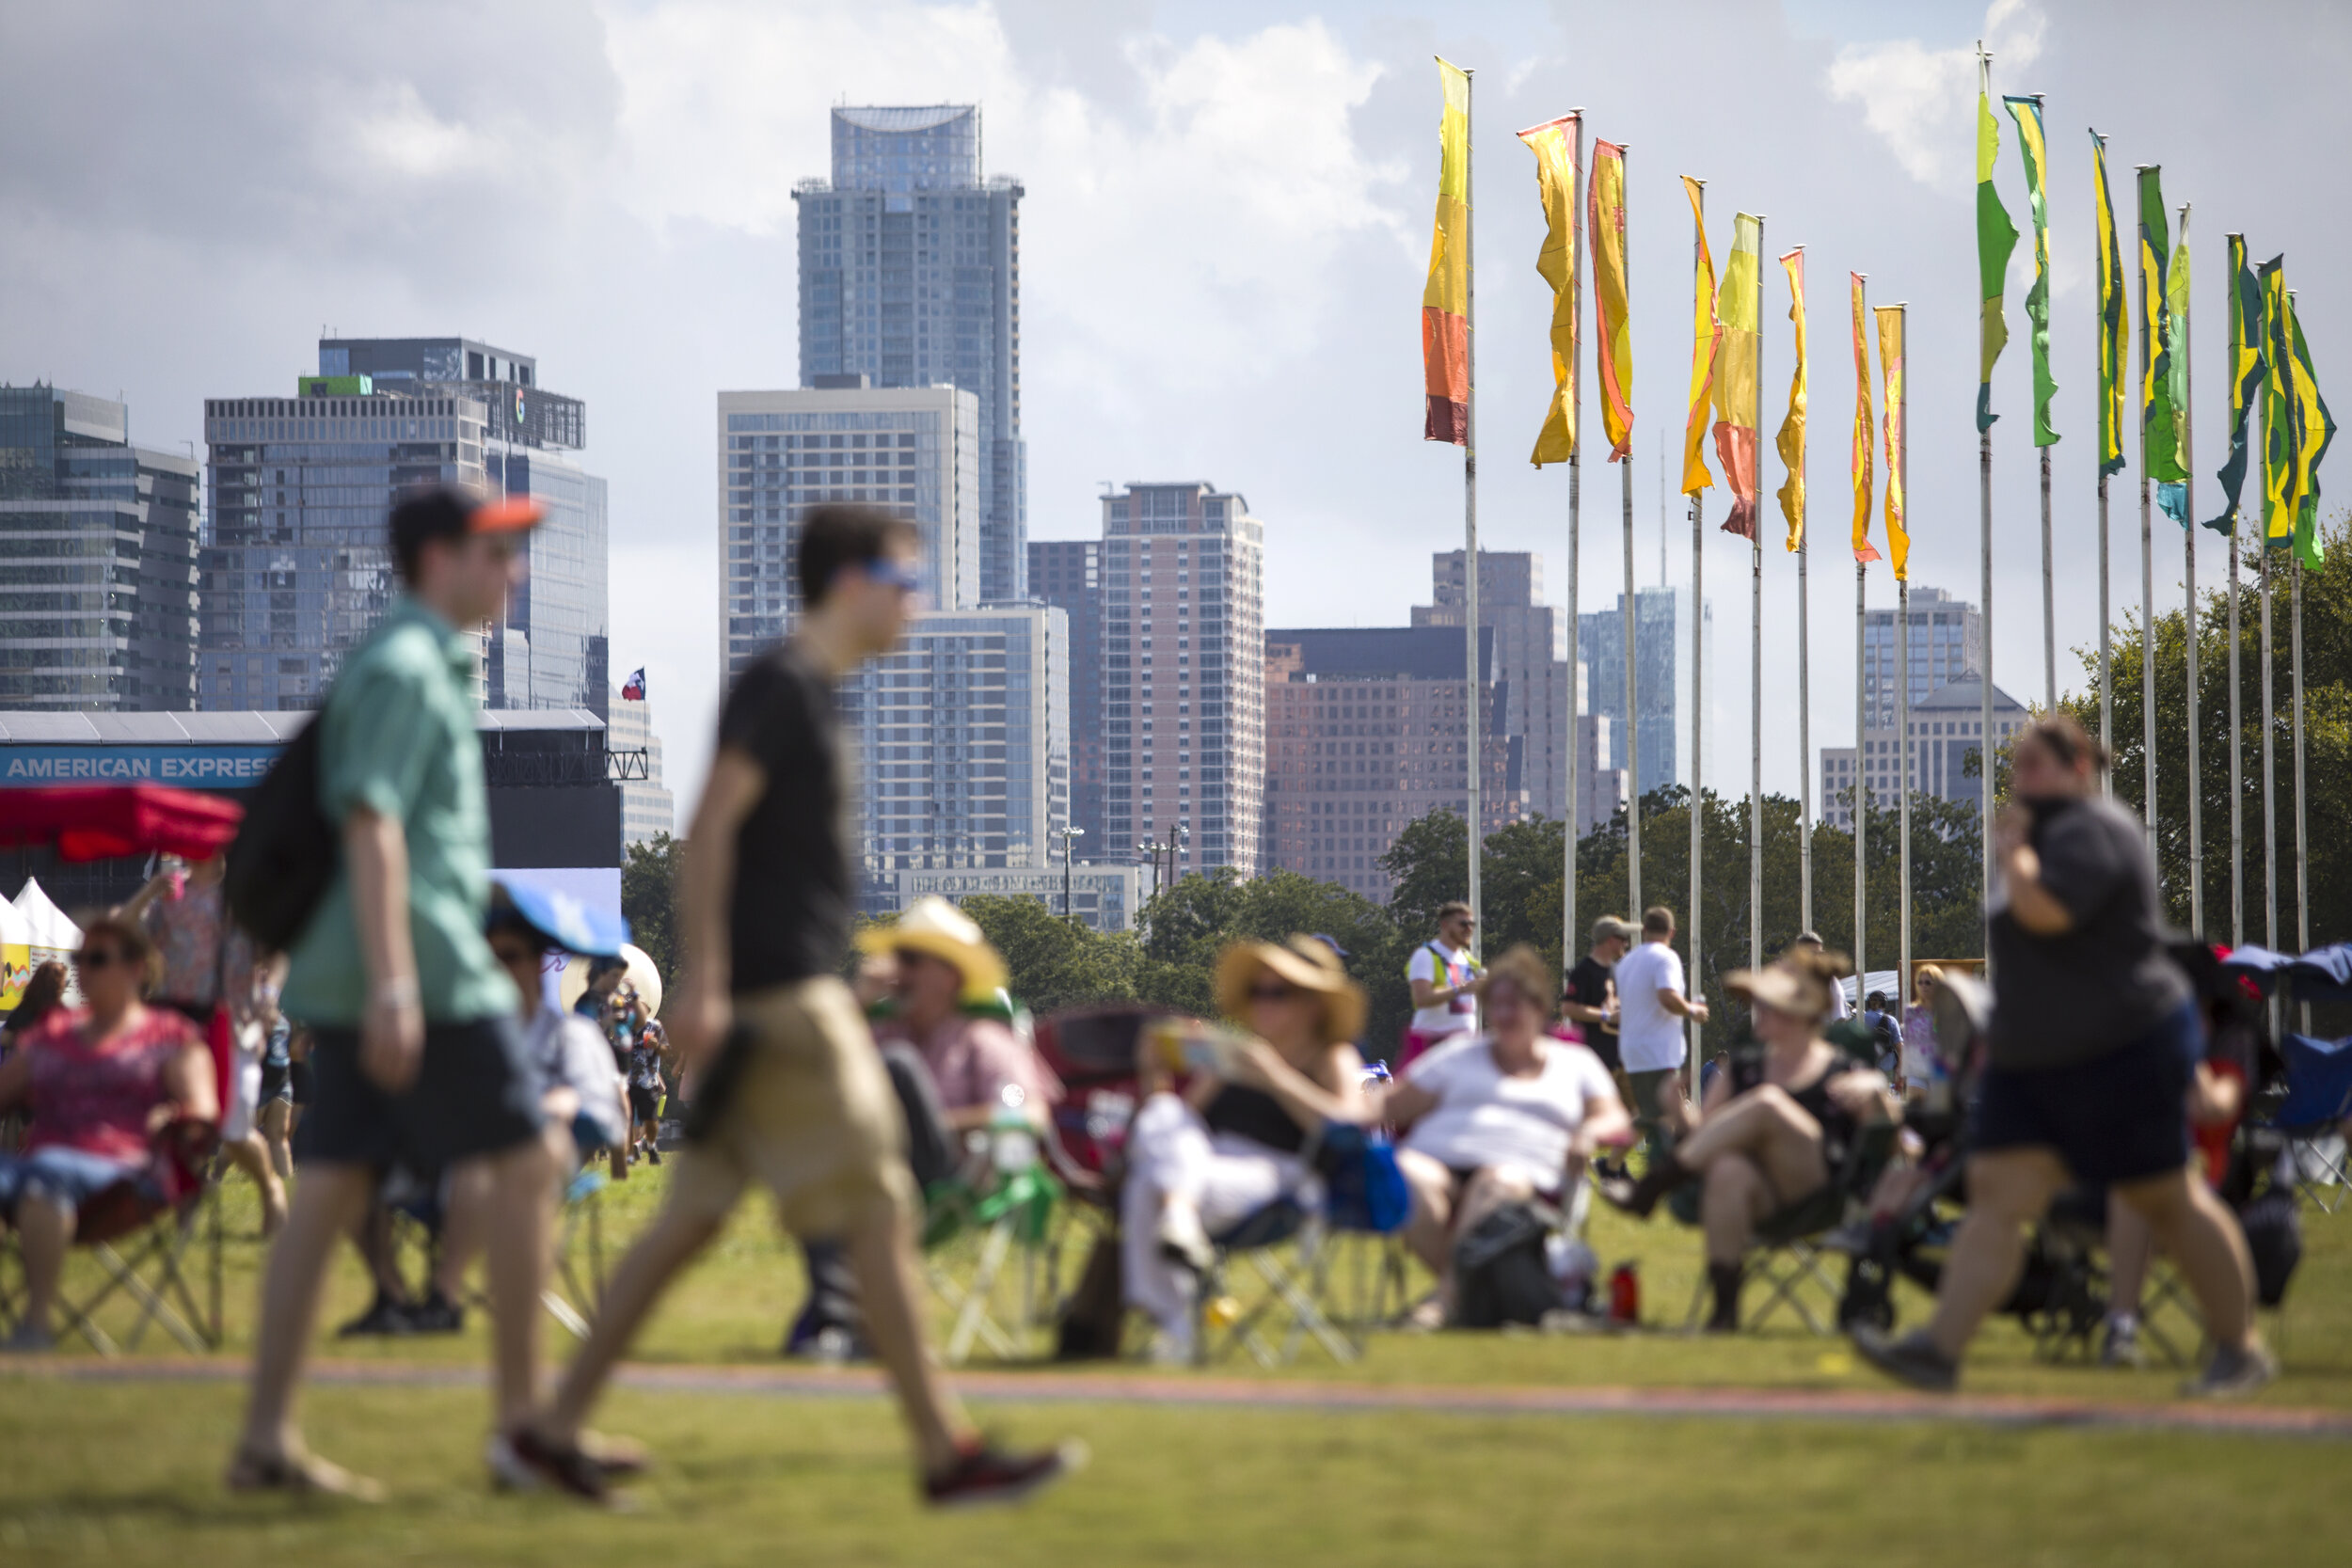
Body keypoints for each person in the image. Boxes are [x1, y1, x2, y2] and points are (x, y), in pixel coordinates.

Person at [516, 504, 1079, 1508]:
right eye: (908, 582)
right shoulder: (780, 689)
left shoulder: (813, 696)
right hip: (786, 1009)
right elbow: (706, 830)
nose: (921, 603)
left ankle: (548, 1431)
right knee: (879, 1206)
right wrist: (710, 976)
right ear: (852, 582)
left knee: (685, 1221)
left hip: (795, 992)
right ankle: (947, 1452)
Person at [230, 486, 563, 1499]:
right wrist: (393, 988)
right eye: (496, 553)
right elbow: (372, 821)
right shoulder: (410, 668)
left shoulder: (416, 662)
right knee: (532, 1155)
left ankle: (265, 1442)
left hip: (382, 967)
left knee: (327, 1188)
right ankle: (524, 1429)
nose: (516, 574)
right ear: (437, 559)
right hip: (423, 968)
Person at [1851, 714, 2274, 1398]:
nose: (2021, 780)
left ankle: (2241, 1346)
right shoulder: (2048, 834)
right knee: (1998, 1192)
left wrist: (2014, 855)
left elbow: (2048, 914)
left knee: (2167, 1194)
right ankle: (1940, 1348)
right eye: (2017, 767)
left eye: (2034, 766)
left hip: (2124, 1042)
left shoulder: (2092, 831)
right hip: (2040, 1055)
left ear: (2080, 766)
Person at [785, 897, 1058, 1360]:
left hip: (949, 1173)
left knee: (898, 1068)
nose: (900, 972)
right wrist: (859, 1000)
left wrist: (944, 1121)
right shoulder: (879, 1032)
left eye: (911, 960)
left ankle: (839, 1323)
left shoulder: (983, 1042)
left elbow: (1023, 1110)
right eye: (898, 960)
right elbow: (807, 1078)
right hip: (873, 1169)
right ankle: (838, 1324)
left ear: (950, 975)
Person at [1601, 949, 1899, 1331]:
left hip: (1817, 1190)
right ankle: (1725, 1312)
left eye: (1769, 1005)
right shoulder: (1743, 1068)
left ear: (1799, 1014)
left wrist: (1876, 1089)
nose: (1758, 1010)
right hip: (1756, 1195)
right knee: (1727, 1169)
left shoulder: (1842, 1067)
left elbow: (1890, 1143)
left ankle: (1651, 1187)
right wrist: (1677, 1113)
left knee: (1767, 1104)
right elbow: (1704, 1139)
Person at [1123, 935, 1373, 1360]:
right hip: (1204, 1164)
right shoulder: (1236, 1050)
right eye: (1258, 992)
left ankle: (1174, 1326)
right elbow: (1181, 1123)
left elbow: (1349, 1127)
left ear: (1313, 1004)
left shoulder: (1331, 1057)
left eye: (1278, 993)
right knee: (1163, 1115)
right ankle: (1179, 1225)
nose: (1263, 1003)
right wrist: (1154, 1078)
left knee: (1147, 1185)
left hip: (1280, 1177)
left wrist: (1275, 1076)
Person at [0, 914, 218, 1352]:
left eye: (97, 959)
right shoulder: (54, 1032)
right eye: (81, 958)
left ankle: (36, 1326)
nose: (84, 969)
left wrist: (174, 1116)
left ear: (136, 968)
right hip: (44, 1160)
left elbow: (203, 1108)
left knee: (47, 1173)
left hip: (125, 1171)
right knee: (44, 1169)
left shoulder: (169, 1035)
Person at [1387, 944, 1629, 1325]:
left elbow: (1613, 1115)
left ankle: (1444, 1302)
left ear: (1538, 1007)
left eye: (1513, 1004)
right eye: (1495, 1005)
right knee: (1403, 1173)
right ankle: (1475, 1299)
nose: (1502, 1014)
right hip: (1440, 1165)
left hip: (1521, 1174)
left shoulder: (1573, 1063)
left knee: (1494, 1180)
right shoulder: (1457, 1054)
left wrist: (1586, 1133)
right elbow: (1389, 1106)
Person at [124, 852, 287, 1236]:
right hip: (180, 1032)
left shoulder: (244, 898)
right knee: (184, 1123)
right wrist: (147, 894)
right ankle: (184, 1219)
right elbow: (119, 931)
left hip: (234, 1027)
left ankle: (271, 1187)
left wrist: (269, 993)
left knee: (233, 1130)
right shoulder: (169, 900)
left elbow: (279, 949)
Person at [1612, 907, 1709, 1156]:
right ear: (1672, 932)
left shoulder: (1625, 962)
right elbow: (1666, 996)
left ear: (1644, 930)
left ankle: (1611, 1165)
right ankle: (1683, 1163)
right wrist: (1692, 1010)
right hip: (1657, 1049)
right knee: (1669, 1111)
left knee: (1651, 1114)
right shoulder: (1666, 957)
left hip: (1632, 1050)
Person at [1400, 901, 1484, 1068]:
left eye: (1471, 924)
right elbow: (1422, 998)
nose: (1469, 929)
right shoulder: (1426, 955)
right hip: (1431, 1043)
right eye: (1463, 924)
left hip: (1463, 1045)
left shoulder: (1467, 958)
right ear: (1445, 925)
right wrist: (1462, 989)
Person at [1901, 965, 1946, 1093]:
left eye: (1928, 982)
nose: (1923, 986)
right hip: (1916, 1069)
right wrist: (1903, 1071)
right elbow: (1907, 1043)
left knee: (1938, 1110)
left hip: (1939, 1069)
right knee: (1916, 1108)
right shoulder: (1911, 1011)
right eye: (1920, 982)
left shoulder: (1946, 1011)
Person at [1790, 932, 1851, 1021]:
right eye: (1813, 953)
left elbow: (1839, 1018)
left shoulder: (1829, 981)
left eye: (1820, 954)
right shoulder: (1786, 978)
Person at [1859, 991, 1904, 1081]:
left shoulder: (1860, 1019)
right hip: (1887, 1066)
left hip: (1866, 1067)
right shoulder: (1891, 1020)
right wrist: (1900, 1068)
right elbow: (1899, 1047)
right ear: (1884, 1003)